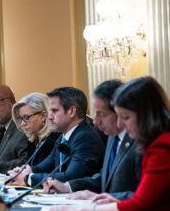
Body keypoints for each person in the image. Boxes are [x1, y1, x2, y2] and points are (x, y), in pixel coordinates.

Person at [49, 76, 170, 211]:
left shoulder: (161, 145)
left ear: (145, 114)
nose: (120, 123)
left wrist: (90, 208)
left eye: (125, 117)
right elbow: (109, 179)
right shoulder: (115, 137)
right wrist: (71, 187)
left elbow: (144, 200)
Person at [43, 80, 141, 200]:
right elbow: (105, 178)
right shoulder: (112, 138)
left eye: (101, 114)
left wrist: (103, 199)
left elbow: (148, 195)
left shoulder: (140, 142)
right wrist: (68, 186)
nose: (95, 121)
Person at [9, 87, 104, 187]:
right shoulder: (63, 137)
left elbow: (70, 177)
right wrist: (24, 171)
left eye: (54, 111)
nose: (49, 117)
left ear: (71, 111)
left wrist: (28, 178)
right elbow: (43, 167)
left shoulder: (85, 137)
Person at [11, 92, 60, 166]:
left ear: (43, 116)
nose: (22, 124)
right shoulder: (33, 141)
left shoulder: (55, 140)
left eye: (26, 117)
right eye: (20, 118)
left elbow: (48, 173)